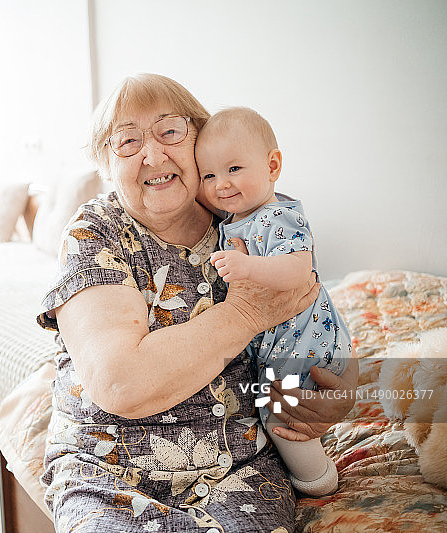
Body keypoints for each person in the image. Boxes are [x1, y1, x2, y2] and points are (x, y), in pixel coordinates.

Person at [36, 73, 358, 533]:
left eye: (169, 131)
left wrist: (339, 393)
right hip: (108, 470)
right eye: (127, 141)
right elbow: (120, 384)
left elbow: (311, 309)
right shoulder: (95, 231)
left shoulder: (245, 215)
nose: (153, 155)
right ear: (107, 164)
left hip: (240, 469)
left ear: (198, 141)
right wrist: (246, 312)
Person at [195, 106, 352, 497]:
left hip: (304, 338)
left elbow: (298, 270)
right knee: (274, 402)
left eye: (234, 169)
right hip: (284, 338)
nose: (221, 184)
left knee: (279, 409)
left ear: (272, 166)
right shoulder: (237, 218)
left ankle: (316, 479)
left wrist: (247, 267)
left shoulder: (276, 216)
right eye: (208, 175)